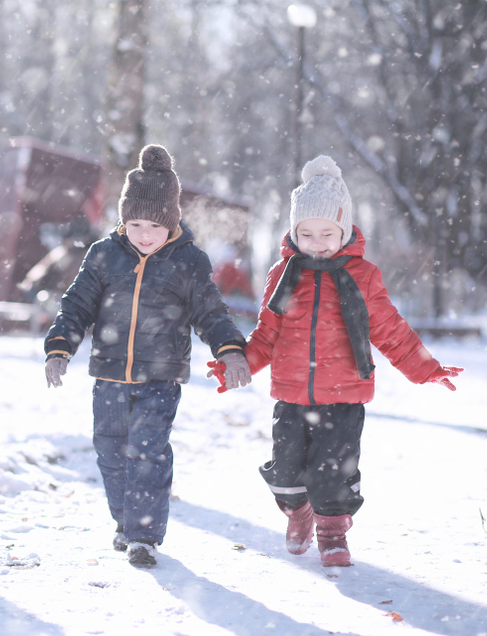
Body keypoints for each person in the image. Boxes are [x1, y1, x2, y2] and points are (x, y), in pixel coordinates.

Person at [208, 155, 462, 567]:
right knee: (286, 475)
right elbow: (267, 334)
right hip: (291, 395)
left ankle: (331, 533)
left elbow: (389, 328)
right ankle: (299, 512)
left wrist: (425, 367)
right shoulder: (283, 274)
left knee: (332, 473)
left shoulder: (362, 275)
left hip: (344, 397)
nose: (318, 241)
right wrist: (237, 363)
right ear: (293, 232)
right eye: (306, 233)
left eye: (327, 232)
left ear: (344, 229)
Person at [44, 144, 251, 569]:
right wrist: (60, 347)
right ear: (123, 218)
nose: (143, 233)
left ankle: (143, 535)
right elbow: (77, 305)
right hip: (110, 375)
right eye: (134, 222)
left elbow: (210, 311)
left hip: (161, 377)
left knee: (148, 451)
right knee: (110, 450)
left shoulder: (189, 261)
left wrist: (230, 350)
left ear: (171, 222)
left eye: (154, 225)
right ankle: (124, 520)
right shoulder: (103, 254)